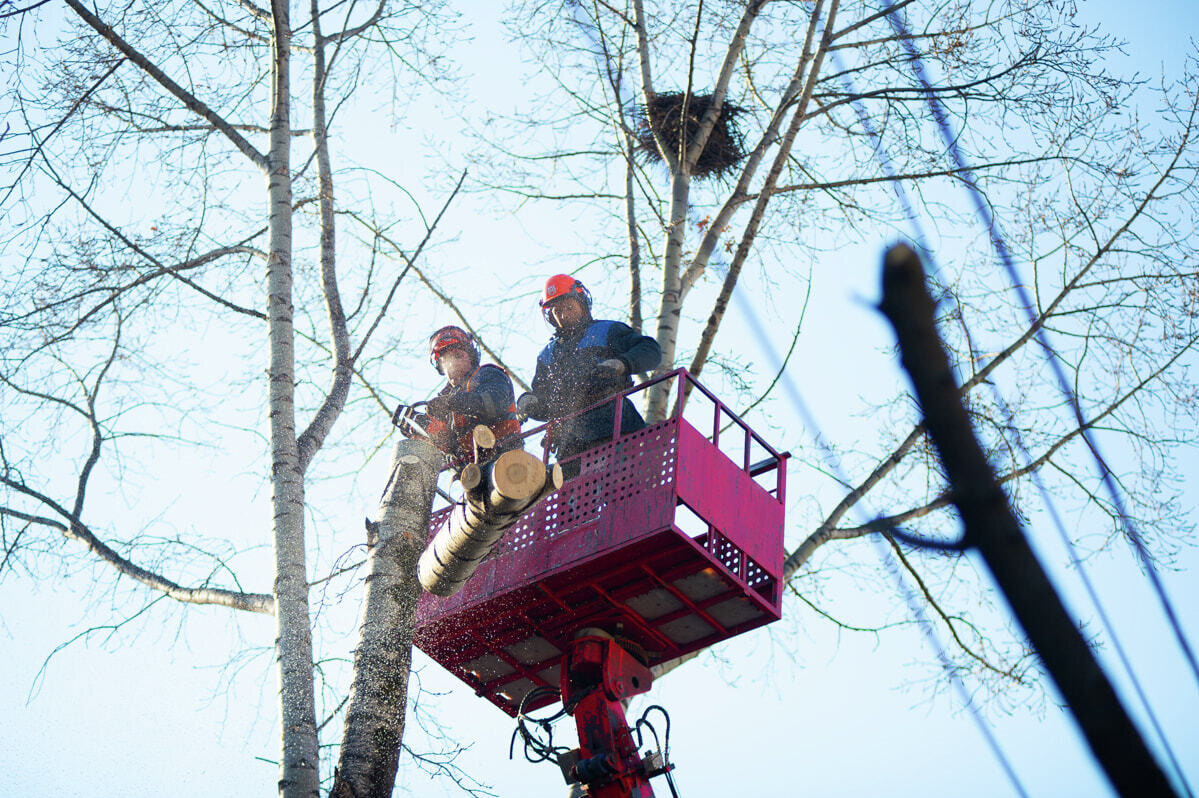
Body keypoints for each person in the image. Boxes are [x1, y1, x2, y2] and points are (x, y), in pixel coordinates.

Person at [516, 275, 662, 476]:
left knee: (623, 487)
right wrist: (529, 401)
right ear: (550, 316)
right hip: (571, 444)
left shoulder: (607, 331)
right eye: (557, 311)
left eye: (569, 306)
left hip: (614, 425)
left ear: (582, 303)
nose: (564, 314)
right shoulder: (547, 356)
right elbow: (545, 402)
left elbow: (650, 350)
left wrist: (622, 363)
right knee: (570, 500)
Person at [395, 325, 521, 464]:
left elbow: (492, 405)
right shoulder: (447, 397)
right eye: (446, 361)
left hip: (506, 457)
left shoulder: (487, 374)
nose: (453, 364)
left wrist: (451, 402)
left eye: (458, 356)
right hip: (471, 473)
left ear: (471, 357)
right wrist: (426, 429)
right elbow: (449, 445)